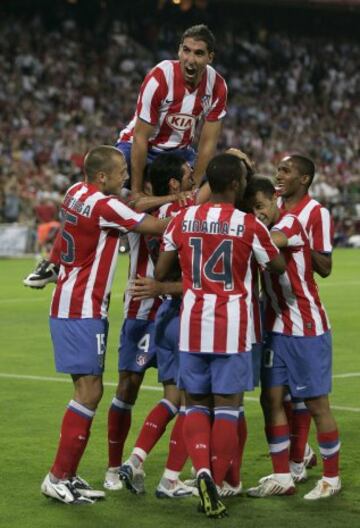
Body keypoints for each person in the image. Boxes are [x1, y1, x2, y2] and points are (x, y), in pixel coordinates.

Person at [155, 154, 285, 518]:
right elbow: (275, 264)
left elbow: (162, 268)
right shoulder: (248, 225)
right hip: (232, 327)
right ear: (235, 185)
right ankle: (217, 478)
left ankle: (201, 472)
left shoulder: (182, 219)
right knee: (228, 407)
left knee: (194, 404)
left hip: (192, 324)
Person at [41, 145, 167, 505]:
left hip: (69, 302)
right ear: (101, 177)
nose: (126, 176)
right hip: (82, 308)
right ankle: (56, 476)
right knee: (90, 392)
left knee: (87, 389)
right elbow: (153, 224)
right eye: (121, 171)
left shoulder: (74, 193)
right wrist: (192, 213)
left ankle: (69, 475)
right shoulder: (104, 205)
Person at [104, 153, 196, 493]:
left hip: (175, 307)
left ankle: (145, 465)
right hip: (141, 310)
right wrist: (173, 197)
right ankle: (116, 468)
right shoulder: (133, 208)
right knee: (128, 388)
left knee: (181, 395)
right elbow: (134, 200)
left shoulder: (179, 208)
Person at [245, 177, 341, 500]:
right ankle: (282, 475)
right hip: (275, 329)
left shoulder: (290, 223)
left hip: (307, 328)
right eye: (251, 209)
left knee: (317, 404)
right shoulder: (260, 226)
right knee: (270, 400)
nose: (257, 213)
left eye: (260, 207)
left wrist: (248, 229)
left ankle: (331, 478)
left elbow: (273, 242)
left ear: (274, 200)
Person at [276, 154, 335, 479]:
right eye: (278, 170)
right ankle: (298, 456)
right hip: (274, 315)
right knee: (278, 393)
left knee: (306, 398)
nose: (279, 176)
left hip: (302, 314)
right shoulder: (273, 207)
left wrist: (297, 242)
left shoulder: (316, 213)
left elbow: (325, 267)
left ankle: (308, 462)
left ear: (304, 179)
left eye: (286, 171)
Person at [116, 24, 227, 194]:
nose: (190, 59)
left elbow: (208, 143)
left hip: (179, 153)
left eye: (198, 53)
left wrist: (194, 188)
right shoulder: (159, 78)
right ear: (179, 51)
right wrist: (136, 192)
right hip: (138, 145)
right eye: (186, 50)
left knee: (220, 179)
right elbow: (140, 136)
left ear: (210, 57)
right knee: (114, 176)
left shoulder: (218, 86)